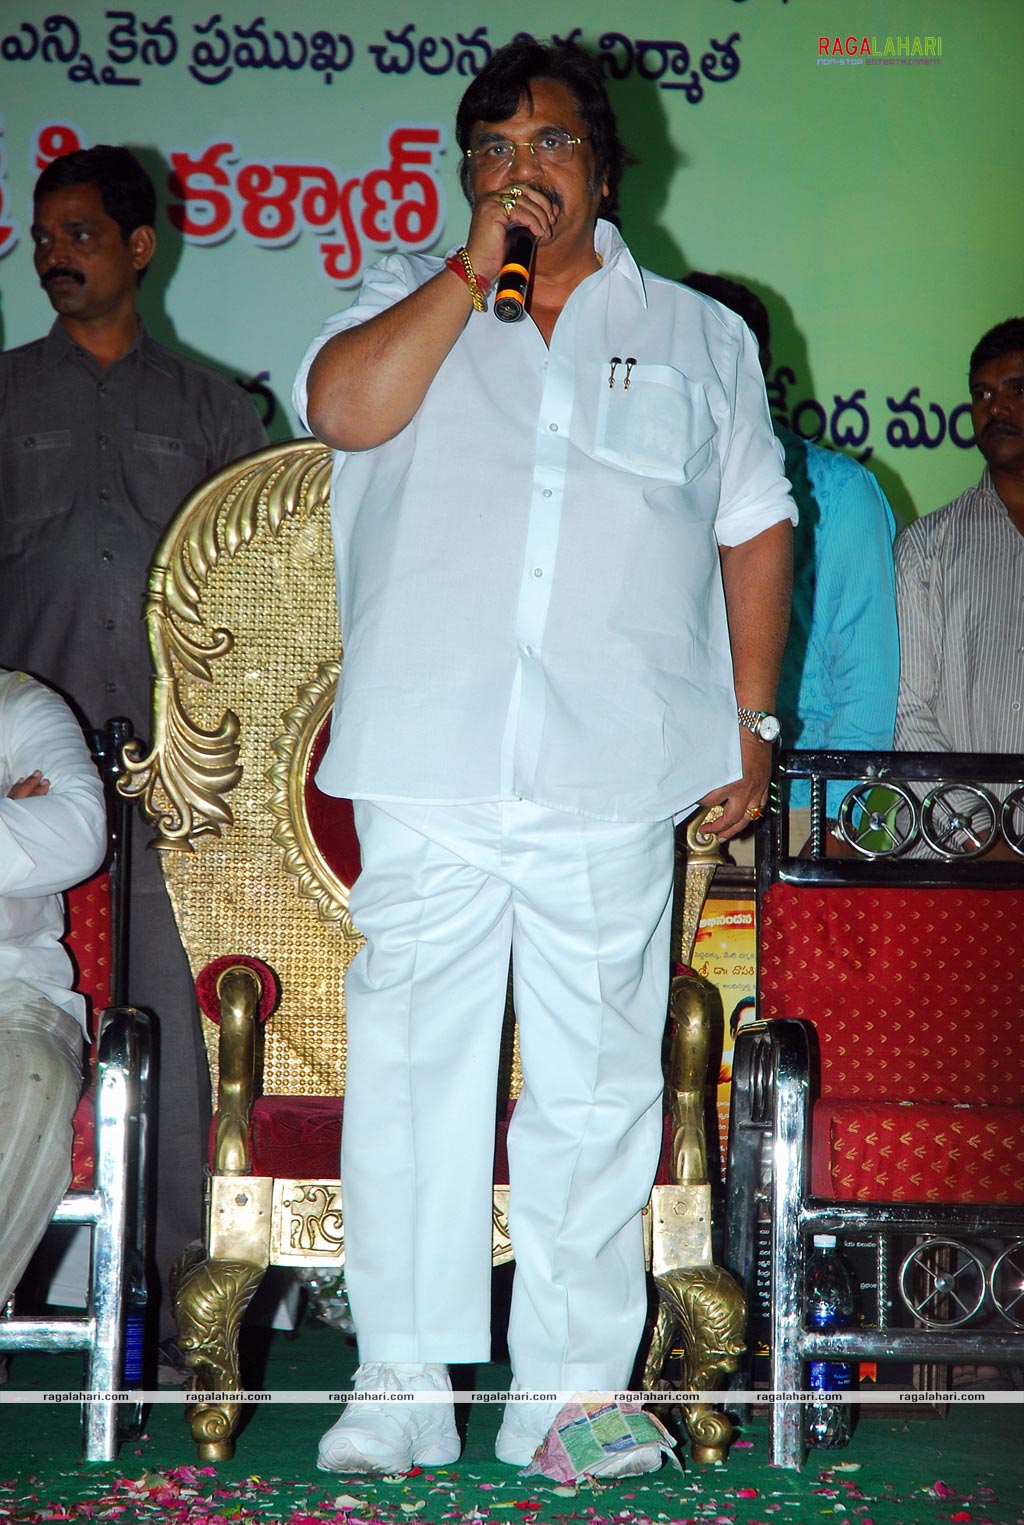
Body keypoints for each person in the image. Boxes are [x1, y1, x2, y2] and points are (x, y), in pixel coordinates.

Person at [294, 39, 794, 1476]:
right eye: (494, 152)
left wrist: (750, 726)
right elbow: (343, 411)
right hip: (433, 760)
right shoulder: (406, 304)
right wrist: (470, 271)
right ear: (465, 175)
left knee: (595, 1081)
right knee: (410, 1065)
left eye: (551, 147)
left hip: (615, 768)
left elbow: (754, 527)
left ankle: (570, 1392)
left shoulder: (702, 337)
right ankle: (397, 1379)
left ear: (606, 166)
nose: (523, 173)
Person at [0, 145, 268, 1366]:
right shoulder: (2, 396)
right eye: (44, 239)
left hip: (181, 789)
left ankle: (173, 1317)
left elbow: (257, 608)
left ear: (141, 247)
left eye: (82, 236)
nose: (58, 255)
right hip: (23, 792)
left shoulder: (219, 411)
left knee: (177, 1041)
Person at [683, 273, 899, 853]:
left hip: (792, 814)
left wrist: (827, 827)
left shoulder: (836, 492)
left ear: (752, 365)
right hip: (645, 808)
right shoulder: (645, 492)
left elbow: (867, 681)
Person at [0, 668, 106, 1314]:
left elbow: (78, 832)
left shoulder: (19, 703)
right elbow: (40, 836)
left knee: (33, 1074)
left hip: (14, 995)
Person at [895, 316, 1024, 760]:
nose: (996, 408)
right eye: (981, 394)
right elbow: (907, 705)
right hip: (961, 826)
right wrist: (976, 829)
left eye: (1016, 389)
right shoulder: (926, 548)